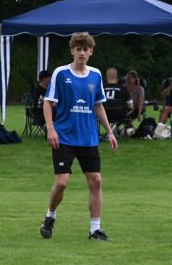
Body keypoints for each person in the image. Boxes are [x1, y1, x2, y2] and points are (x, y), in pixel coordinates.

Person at [39, 32, 118, 242]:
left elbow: (98, 105)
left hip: (88, 138)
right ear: (72, 51)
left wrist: (110, 132)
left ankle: (95, 230)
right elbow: (47, 102)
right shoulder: (61, 73)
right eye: (78, 49)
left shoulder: (96, 75)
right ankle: (50, 216)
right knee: (62, 183)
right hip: (64, 137)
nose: (82, 53)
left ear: (91, 52)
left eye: (86, 49)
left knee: (96, 181)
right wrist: (50, 129)